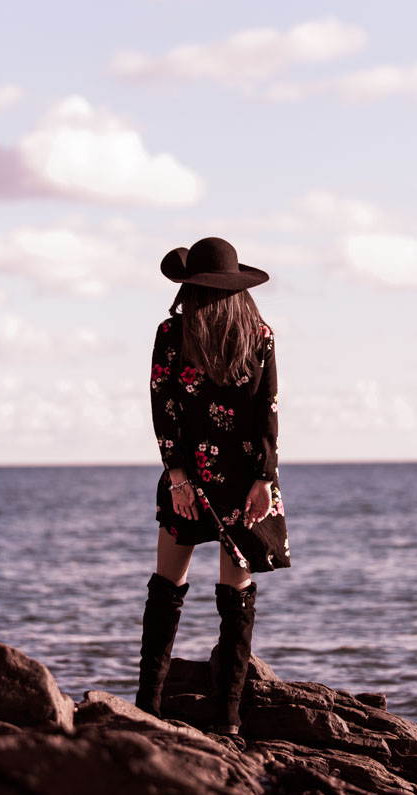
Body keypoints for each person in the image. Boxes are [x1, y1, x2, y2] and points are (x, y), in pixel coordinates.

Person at [135, 236, 291, 737]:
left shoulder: (171, 332)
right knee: (236, 599)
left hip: (192, 475)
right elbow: (267, 412)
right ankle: (228, 721)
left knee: (167, 589)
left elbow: (164, 409)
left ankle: (147, 707)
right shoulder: (259, 334)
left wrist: (178, 474)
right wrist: (264, 479)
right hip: (246, 479)